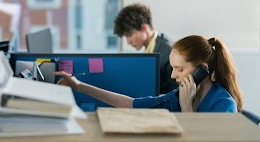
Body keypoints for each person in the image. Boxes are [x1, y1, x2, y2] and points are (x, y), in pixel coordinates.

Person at [55, 35, 242, 113]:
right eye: (172, 68)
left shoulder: (224, 105)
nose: (172, 76)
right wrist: (78, 86)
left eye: (180, 69)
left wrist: (186, 108)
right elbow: (130, 104)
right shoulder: (179, 95)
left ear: (203, 69)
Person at [114, 3, 178, 94]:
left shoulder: (168, 52)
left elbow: (176, 93)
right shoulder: (151, 50)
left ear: (144, 27)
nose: (128, 42)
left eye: (129, 35)